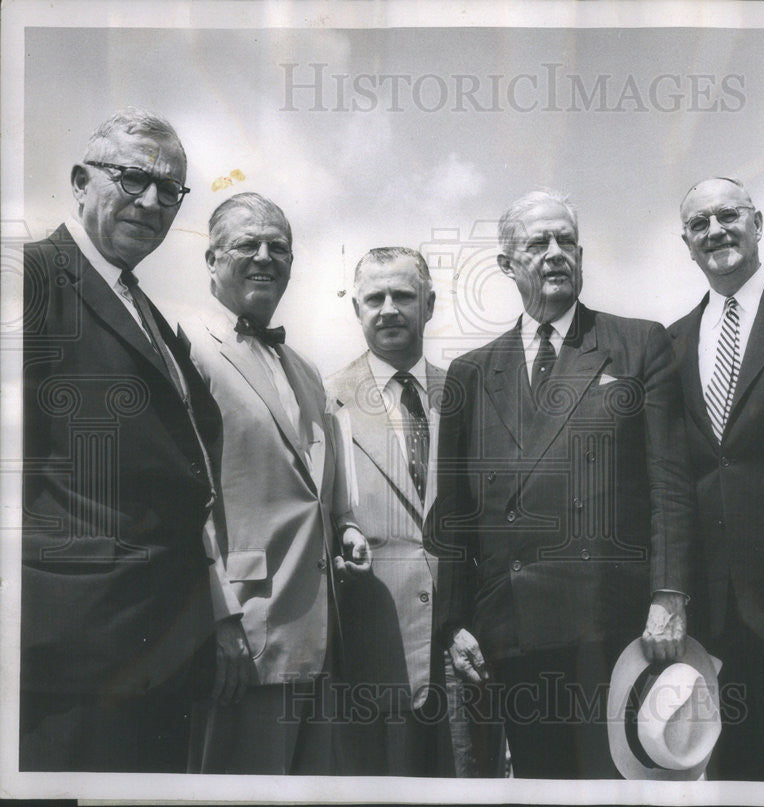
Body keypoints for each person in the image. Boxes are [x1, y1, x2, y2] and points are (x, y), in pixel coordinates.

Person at [431, 189, 690, 779]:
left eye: (565, 241)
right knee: (542, 784)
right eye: (537, 243)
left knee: (620, 783)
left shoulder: (636, 342)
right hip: (512, 631)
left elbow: (669, 485)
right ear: (505, 264)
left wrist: (669, 595)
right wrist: (454, 621)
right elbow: (456, 511)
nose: (554, 253)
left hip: (612, 625)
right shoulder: (471, 372)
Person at [20, 108, 221, 772]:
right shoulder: (31, 280)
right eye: (135, 177)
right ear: (80, 181)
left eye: (171, 190)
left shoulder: (152, 316)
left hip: (162, 653)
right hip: (70, 659)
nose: (153, 201)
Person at [184, 192, 370, 774]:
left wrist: (344, 529)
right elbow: (186, 501)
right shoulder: (185, 350)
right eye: (247, 244)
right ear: (211, 260)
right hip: (243, 640)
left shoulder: (307, 370)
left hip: (317, 644)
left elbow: (318, 488)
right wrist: (220, 618)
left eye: (279, 247)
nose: (265, 257)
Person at [663, 176, 764, 780]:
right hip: (712, 613)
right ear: (686, 243)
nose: (716, 231)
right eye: (699, 224)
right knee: (732, 775)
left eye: (728, 215)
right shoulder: (672, 341)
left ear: (758, 221)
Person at [327, 247, 504, 777]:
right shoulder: (323, 398)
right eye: (374, 298)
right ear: (355, 309)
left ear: (428, 304)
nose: (388, 309)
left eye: (403, 296)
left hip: (466, 651)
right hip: (374, 649)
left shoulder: (470, 392)